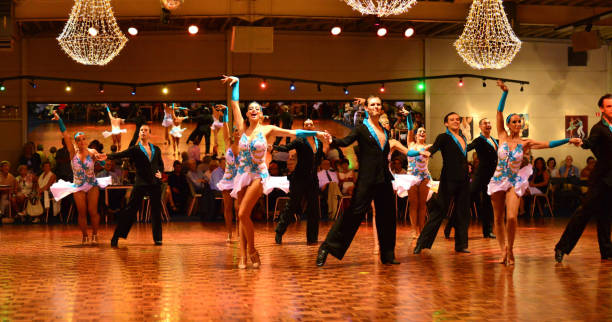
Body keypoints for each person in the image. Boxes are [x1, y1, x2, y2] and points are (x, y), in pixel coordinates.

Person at [222, 75, 329, 269]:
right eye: (251, 109)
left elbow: (294, 133)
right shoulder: (242, 128)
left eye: (257, 109)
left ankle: (253, 250)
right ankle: (243, 256)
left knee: (243, 212)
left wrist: (316, 133)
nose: (253, 110)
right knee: (241, 216)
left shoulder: (268, 129)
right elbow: (235, 103)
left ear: (261, 114)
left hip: (258, 175)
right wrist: (236, 83)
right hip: (242, 174)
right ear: (247, 115)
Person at [487, 80, 581, 265]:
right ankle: (502, 250)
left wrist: (568, 139)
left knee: (512, 217)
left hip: (513, 181)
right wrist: (505, 92)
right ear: (508, 124)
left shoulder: (526, 142)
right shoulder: (502, 136)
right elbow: (498, 112)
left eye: (519, 121)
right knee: (498, 218)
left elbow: (548, 144)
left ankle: (511, 249)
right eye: (513, 121)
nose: (516, 123)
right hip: (498, 180)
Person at [317, 95, 417, 266]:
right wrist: (332, 139)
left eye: (378, 104)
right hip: (366, 178)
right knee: (354, 213)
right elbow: (345, 141)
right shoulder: (361, 129)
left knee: (387, 216)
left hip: (384, 178)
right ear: (368, 109)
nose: (376, 107)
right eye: (372, 104)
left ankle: (387, 254)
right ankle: (327, 247)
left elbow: (406, 126)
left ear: (381, 108)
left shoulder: (385, 131)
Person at [555, 94, 612, 262]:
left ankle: (607, 251)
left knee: (606, 215)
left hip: (611, 179)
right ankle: (561, 247)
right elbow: (590, 143)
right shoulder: (598, 128)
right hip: (600, 179)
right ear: (601, 109)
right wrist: (581, 143)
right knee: (583, 213)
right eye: (609, 106)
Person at [49, 112, 110, 244]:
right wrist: (59, 120)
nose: (81, 141)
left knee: (92, 211)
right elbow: (65, 134)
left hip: (92, 184)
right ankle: (84, 236)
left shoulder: (92, 152)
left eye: (83, 139)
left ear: (86, 140)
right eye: (78, 139)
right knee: (82, 212)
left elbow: (104, 165)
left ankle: (94, 234)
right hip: (78, 185)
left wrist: (103, 160)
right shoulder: (72, 152)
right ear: (76, 142)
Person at [107, 124, 165, 247]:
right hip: (141, 183)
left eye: (145, 130)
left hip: (154, 183)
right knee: (130, 210)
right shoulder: (135, 149)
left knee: (156, 211)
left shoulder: (156, 149)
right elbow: (121, 154)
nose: (143, 132)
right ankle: (116, 236)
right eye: (141, 130)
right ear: (139, 134)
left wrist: (160, 172)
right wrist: (107, 156)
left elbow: (160, 165)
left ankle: (158, 238)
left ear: (150, 133)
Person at [274, 119, 326, 245]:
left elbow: (318, 160)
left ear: (314, 127)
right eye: (306, 124)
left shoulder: (319, 142)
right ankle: (279, 232)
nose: (308, 126)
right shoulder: (299, 140)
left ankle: (312, 238)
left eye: (310, 124)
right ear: (303, 128)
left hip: (313, 179)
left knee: (314, 209)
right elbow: (286, 147)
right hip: (299, 178)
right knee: (292, 205)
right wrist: (273, 147)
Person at [395, 107, 432, 239]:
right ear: (416, 135)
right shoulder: (410, 144)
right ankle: (414, 230)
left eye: (424, 132)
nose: (422, 133)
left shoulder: (428, 146)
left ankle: (421, 230)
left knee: (422, 205)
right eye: (420, 131)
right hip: (411, 177)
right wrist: (409, 115)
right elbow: (410, 128)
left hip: (424, 177)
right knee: (413, 204)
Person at [466, 118, 499, 239]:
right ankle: (452, 225)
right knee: (468, 198)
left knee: (488, 203)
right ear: (480, 127)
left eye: (489, 123)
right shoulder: (479, 140)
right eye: (485, 123)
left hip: (492, 177)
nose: (488, 125)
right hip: (480, 175)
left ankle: (487, 231)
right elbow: (466, 149)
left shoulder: (495, 140)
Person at [216, 105, 240, 242]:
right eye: (235, 130)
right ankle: (229, 234)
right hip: (228, 179)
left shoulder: (245, 146)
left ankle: (239, 232)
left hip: (239, 180)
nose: (237, 132)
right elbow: (225, 127)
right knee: (228, 208)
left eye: (239, 131)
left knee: (238, 209)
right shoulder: (228, 143)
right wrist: (225, 113)